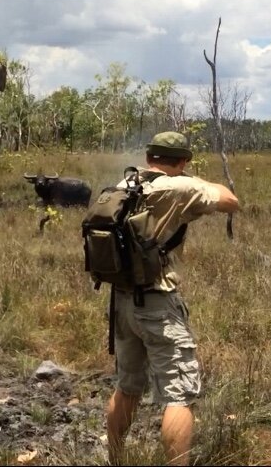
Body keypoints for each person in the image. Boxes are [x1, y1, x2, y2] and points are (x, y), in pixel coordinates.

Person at [105, 131, 240, 466]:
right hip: (158, 303)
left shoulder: (126, 185)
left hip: (121, 302)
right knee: (180, 394)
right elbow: (230, 200)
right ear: (181, 161)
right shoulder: (180, 187)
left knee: (128, 387)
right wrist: (191, 176)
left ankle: (115, 458)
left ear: (150, 156)